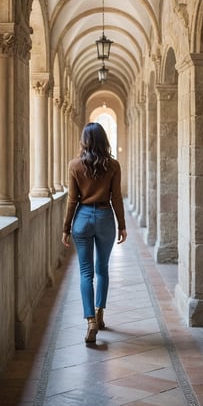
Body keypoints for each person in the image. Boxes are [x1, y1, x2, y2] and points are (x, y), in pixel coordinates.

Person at [62, 122, 127, 344]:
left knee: (85, 272)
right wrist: (122, 225)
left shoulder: (74, 165)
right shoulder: (114, 166)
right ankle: (100, 314)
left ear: (84, 141)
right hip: (105, 216)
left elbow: (72, 199)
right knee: (102, 269)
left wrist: (66, 227)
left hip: (82, 219)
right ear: (104, 141)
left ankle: (90, 320)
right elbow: (116, 197)